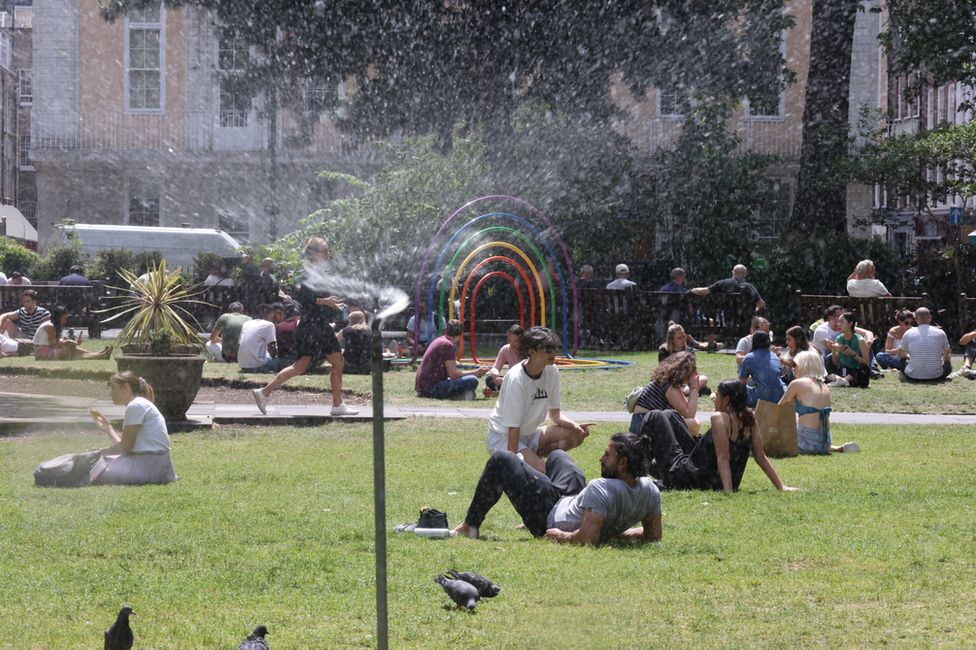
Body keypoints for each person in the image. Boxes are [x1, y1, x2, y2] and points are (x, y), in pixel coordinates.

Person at [451, 433, 663, 545]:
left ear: (623, 463)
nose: (600, 458)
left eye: (607, 455)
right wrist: (615, 532)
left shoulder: (601, 488)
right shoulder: (650, 489)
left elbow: (586, 541)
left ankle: (470, 525)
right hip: (572, 500)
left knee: (501, 459)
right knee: (557, 456)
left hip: (548, 515)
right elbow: (653, 535)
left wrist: (561, 535)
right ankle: (532, 481)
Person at [252, 238, 359, 416]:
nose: (328, 254)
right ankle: (337, 405)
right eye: (325, 251)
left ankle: (264, 393)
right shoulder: (311, 273)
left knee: (303, 366)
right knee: (331, 362)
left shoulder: (318, 273)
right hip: (314, 327)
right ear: (315, 253)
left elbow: (312, 298)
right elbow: (302, 298)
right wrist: (325, 301)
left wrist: (331, 302)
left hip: (314, 326)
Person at [637, 381, 797, 492]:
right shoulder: (749, 419)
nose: (714, 399)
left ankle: (633, 469)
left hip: (690, 477)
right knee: (670, 414)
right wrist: (781, 486)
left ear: (726, 400)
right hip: (707, 475)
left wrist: (727, 492)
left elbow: (723, 458)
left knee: (655, 416)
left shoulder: (720, 418)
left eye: (717, 396)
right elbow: (760, 457)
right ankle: (645, 468)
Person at [486, 326, 593, 473]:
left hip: (529, 434)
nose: (553, 354)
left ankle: (532, 460)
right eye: (547, 350)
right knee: (545, 474)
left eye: (554, 349)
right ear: (531, 352)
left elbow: (555, 415)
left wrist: (575, 426)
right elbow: (513, 429)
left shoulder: (552, 370)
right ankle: (530, 466)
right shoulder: (516, 378)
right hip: (503, 436)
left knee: (576, 435)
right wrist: (511, 465)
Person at [89, 371, 177, 485]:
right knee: (97, 464)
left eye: (114, 388)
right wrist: (108, 428)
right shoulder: (139, 404)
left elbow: (124, 448)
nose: (111, 394)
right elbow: (125, 447)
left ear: (126, 387)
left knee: (92, 471)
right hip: (153, 465)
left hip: (148, 467)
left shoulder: (136, 405)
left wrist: (98, 453)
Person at [778, 350, 859, 454]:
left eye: (795, 365)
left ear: (803, 365)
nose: (793, 369)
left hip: (806, 441)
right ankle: (834, 447)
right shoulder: (824, 386)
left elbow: (778, 409)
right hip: (825, 441)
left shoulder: (797, 384)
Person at [631, 351, 703, 436]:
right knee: (694, 424)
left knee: (690, 423)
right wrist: (694, 388)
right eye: (693, 369)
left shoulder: (666, 381)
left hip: (643, 424)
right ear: (686, 370)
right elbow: (689, 414)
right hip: (644, 427)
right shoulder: (669, 385)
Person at [415, 319, 489, 400]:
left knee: (466, 379)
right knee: (472, 380)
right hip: (431, 388)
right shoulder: (448, 345)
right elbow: (453, 374)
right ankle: (461, 395)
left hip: (423, 387)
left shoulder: (440, 340)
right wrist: (476, 373)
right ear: (459, 335)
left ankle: (461, 395)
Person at [32, 305, 112, 360]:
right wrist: (67, 342)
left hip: (48, 349)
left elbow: (55, 342)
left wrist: (70, 342)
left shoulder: (53, 325)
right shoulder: (50, 326)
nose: (66, 321)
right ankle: (100, 355)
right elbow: (54, 345)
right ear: (58, 318)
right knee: (69, 352)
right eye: (64, 318)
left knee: (71, 348)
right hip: (41, 352)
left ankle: (98, 354)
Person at [897, 307, 952, 382]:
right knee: (948, 364)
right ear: (930, 318)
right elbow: (947, 353)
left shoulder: (908, 333)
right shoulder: (940, 332)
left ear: (916, 320)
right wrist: (944, 361)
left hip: (912, 376)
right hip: (936, 376)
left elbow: (900, 354)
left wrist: (908, 357)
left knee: (902, 360)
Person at [738, 331, 786, 407]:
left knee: (737, 390)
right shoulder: (775, 357)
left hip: (763, 398)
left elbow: (742, 382)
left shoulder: (749, 358)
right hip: (781, 395)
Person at [238, 303, 289, 374]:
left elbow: (240, 343)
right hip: (257, 367)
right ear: (267, 314)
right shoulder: (268, 324)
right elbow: (272, 349)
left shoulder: (246, 323)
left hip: (243, 366)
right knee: (284, 360)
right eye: (272, 314)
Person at [690, 264, 765, 312]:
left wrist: (692, 290)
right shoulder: (749, 287)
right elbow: (761, 304)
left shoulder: (722, 283)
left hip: (726, 319)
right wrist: (754, 311)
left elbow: (704, 291)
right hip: (746, 322)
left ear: (733, 272)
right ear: (745, 274)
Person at [829, 311, 872, 388]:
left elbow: (867, 364)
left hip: (855, 372)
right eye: (838, 322)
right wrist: (834, 350)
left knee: (856, 373)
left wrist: (852, 354)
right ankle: (842, 380)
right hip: (842, 371)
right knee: (828, 373)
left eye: (841, 322)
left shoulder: (860, 340)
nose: (839, 324)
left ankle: (841, 381)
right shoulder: (838, 339)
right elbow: (835, 363)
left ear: (850, 324)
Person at [484, 323, 523, 398]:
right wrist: (495, 374)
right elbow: (496, 366)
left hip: (522, 380)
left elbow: (523, 374)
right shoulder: (506, 349)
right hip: (509, 379)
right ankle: (500, 391)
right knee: (489, 379)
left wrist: (504, 379)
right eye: (509, 340)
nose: (512, 344)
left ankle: (498, 392)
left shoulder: (528, 350)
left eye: (516, 341)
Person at [338, 310, 372, 375]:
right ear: (363, 319)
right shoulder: (370, 331)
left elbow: (333, 341)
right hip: (366, 367)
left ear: (350, 320)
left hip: (348, 365)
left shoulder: (346, 330)